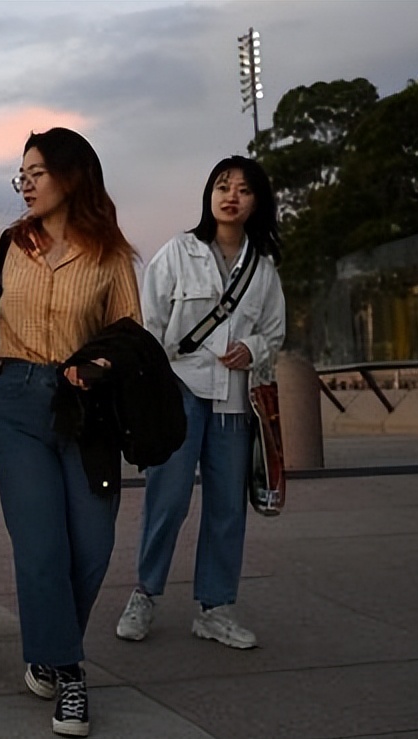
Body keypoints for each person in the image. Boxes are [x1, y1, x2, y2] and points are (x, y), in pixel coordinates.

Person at [0, 127, 140, 738]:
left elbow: (130, 341)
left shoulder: (111, 255)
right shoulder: (7, 245)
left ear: (71, 176)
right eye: (21, 175)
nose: (25, 184)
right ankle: (68, 674)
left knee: (94, 546)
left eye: (36, 173)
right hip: (16, 402)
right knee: (42, 545)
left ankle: (51, 643)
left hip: (86, 409)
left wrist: (98, 367)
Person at [115, 156, 286, 650]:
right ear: (209, 195)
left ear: (257, 202)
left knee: (228, 508)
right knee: (166, 501)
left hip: (234, 401)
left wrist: (252, 348)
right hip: (180, 394)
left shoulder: (264, 268)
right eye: (222, 186)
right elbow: (149, 324)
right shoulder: (177, 252)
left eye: (243, 189)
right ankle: (145, 594)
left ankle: (216, 607)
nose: (231, 196)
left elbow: (273, 331)